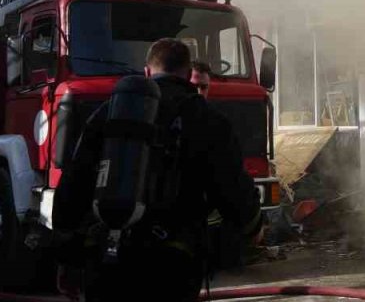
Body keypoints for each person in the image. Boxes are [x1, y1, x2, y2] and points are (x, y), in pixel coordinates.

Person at [54, 38, 262, 302]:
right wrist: (253, 227)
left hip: (107, 258)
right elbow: (234, 189)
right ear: (188, 75)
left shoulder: (108, 113)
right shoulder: (207, 119)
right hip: (172, 265)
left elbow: (73, 187)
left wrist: (66, 260)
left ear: (147, 72)